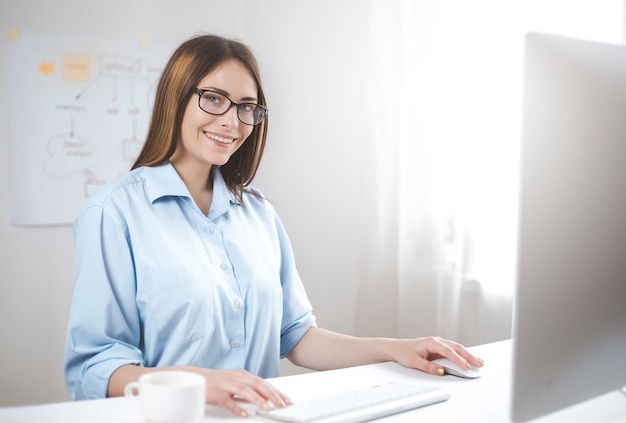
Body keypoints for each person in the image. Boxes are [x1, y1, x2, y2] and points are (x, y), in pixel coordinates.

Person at [64, 33, 484, 418]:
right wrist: (200, 383)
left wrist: (396, 349)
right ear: (176, 97)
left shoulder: (258, 212)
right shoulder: (113, 212)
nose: (232, 121)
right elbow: (94, 367)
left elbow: (296, 336)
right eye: (213, 98)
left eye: (246, 107)